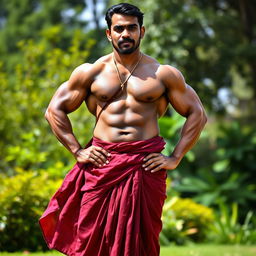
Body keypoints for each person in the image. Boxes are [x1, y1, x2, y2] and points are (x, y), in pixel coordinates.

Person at [39, 3, 207, 256]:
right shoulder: (91, 72)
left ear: (142, 31)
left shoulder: (163, 74)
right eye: (119, 28)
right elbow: (54, 110)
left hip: (143, 166)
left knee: (140, 242)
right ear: (109, 33)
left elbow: (198, 114)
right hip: (102, 166)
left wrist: (175, 157)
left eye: (131, 28)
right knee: (90, 240)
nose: (125, 34)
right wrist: (77, 150)